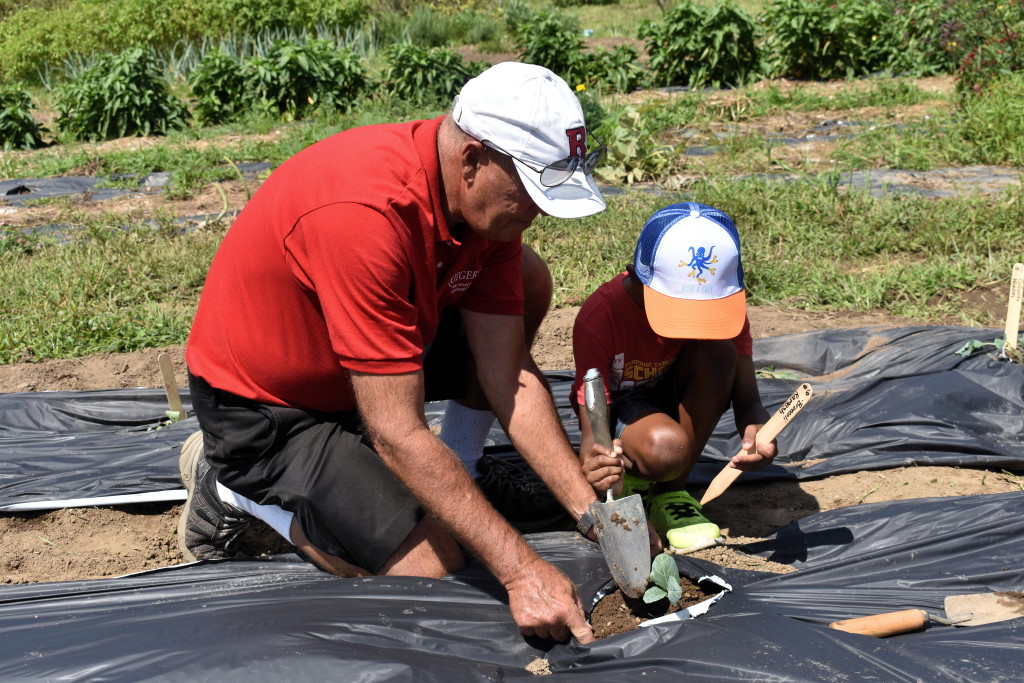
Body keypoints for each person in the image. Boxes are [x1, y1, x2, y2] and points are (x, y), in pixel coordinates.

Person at [179, 62, 616, 644]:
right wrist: (522, 571)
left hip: (358, 366)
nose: (535, 212)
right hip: (271, 411)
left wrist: (598, 517)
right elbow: (398, 433)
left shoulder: (484, 217)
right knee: (432, 566)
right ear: (473, 158)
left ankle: (462, 463)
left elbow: (507, 372)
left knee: (527, 278)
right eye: (531, 191)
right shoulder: (363, 216)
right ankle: (228, 486)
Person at [571, 202, 777, 554]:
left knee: (719, 351)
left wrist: (762, 432)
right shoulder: (601, 317)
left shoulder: (727, 311)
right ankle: (635, 481)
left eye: (703, 310)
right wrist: (604, 474)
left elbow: (748, 401)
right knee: (667, 448)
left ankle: (670, 494)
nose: (691, 323)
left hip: (674, 400)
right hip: (622, 408)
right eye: (678, 307)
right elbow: (593, 430)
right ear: (636, 274)